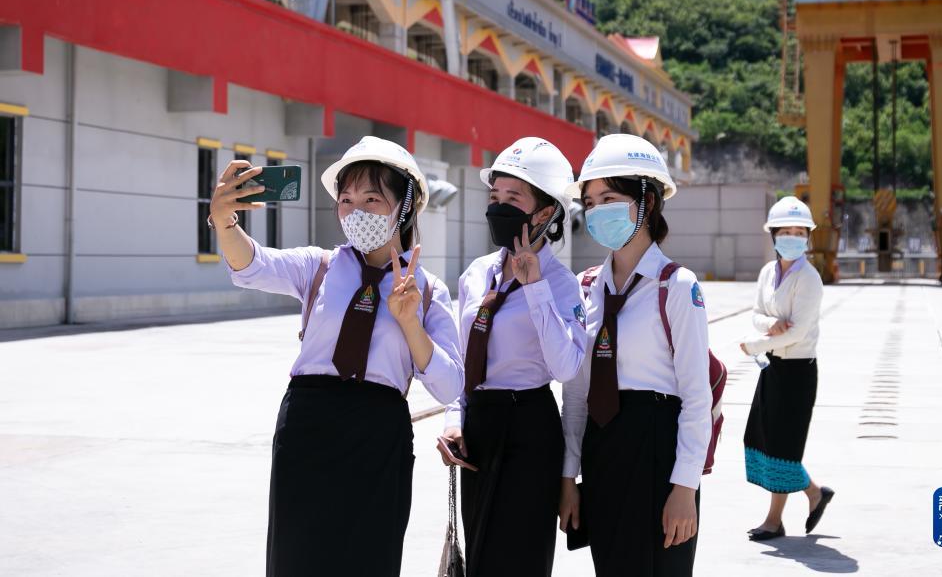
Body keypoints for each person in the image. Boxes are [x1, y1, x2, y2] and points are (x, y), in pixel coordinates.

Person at [211, 136, 463, 576]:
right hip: (307, 426)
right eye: (346, 200)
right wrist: (224, 222)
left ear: (405, 206)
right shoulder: (319, 265)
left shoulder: (428, 290)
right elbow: (252, 265)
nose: (356, 210)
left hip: (378, 434)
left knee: (368, 560)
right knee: (296, 559)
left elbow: (449, 385)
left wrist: (410, 323)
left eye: (371, 198)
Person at [559, 134, 711, 577]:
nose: (596, 211)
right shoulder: (586, 287)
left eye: (609, 198)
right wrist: (569, 477)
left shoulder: (677, 286)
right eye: (589, 202)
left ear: (648, 201)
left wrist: (685, 487)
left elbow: (696, 397)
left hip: (658, 451)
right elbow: (576, 395)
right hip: (602, 451)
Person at [439, 137, 586, 577]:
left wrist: (535, 288)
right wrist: (454, 419)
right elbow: (463, 358)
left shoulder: (562, 284)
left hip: (529, 427)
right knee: (482, 555)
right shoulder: (475, 273)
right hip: (479, 426)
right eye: (494, 197)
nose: (499, 207)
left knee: (521, 559)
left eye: (513, 198)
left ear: (544, 213)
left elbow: (566, 367)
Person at [740, 196, 834, 541]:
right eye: (786, 231)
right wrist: (770, 324)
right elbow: (756, 313)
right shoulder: (768, 272)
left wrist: (755, 344)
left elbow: (797, 333)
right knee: (762, 439)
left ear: (807, 236)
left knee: (783, 447)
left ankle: (774, 521)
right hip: (772, 368)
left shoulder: (809, 279)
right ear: (774, 235)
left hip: (797, 372)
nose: (793, 237)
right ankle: (815, 493)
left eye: (799, 232)